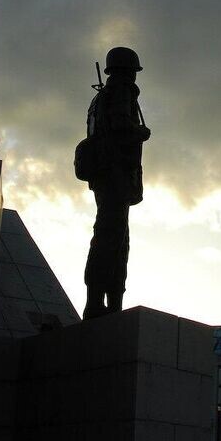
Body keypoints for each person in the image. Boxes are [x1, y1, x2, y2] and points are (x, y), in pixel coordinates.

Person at [83, 46, 151, 319]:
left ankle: (102, 301)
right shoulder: (122, 91)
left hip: (105, 176)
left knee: (110, 235)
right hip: (116, 175)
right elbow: (122, 127)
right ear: (128, 72)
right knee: (114, 239)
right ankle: (104, 303)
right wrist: (141, 133)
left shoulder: (99, 99)